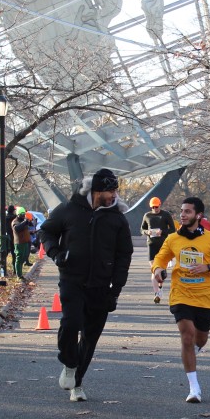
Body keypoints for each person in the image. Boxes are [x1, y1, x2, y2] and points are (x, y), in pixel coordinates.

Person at [40, 168, 133, 402]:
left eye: (116, 191)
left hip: (101, 286)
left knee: (90, 338)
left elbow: (124, 255)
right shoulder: (68, 210)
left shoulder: (117, 219)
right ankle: (69, 363)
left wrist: (116, 289)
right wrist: (56, 254)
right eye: (111, 191)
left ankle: (77, 383)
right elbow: (46, 232)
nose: (114, 195)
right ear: (97, 191)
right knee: (71, 324)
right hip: (72, 279)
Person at [152, 197, 210, 403]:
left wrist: (209, 267)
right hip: (181, 294)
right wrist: (158, 269)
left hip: (206, 297)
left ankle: (193, 352)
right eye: (182, 211)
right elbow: (160, 258)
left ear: (198, 215)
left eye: (187, 211)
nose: (182, 215)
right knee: (187, 336)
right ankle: (194, 388)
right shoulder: (173, 239)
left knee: (200, 339)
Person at [140, 196, 175, 303]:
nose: (155, 209)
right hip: (151, 245)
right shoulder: (147, 215)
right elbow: (142, 229)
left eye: (156, 207)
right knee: (155, 269)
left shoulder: (165, 215)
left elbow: (173, 229)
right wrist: (147, 232)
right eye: (153, 207)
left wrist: (162, 232)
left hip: (163, 245)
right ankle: (157, 293)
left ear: (160, 205)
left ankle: (160, 287)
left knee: (161, 271)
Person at [11, 207, 32, 278]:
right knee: (19, 258)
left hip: (25, 242)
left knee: (23, 258)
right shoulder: (15, 221)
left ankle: (20, 273)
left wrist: (29, 221)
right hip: (19, 243)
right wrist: (25, 222)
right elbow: (17, 228)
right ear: (18, 214)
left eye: (24, 214)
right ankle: (19, 275)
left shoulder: (23, 221)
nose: (23, 216)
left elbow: (30, 225)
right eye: (22, 214)